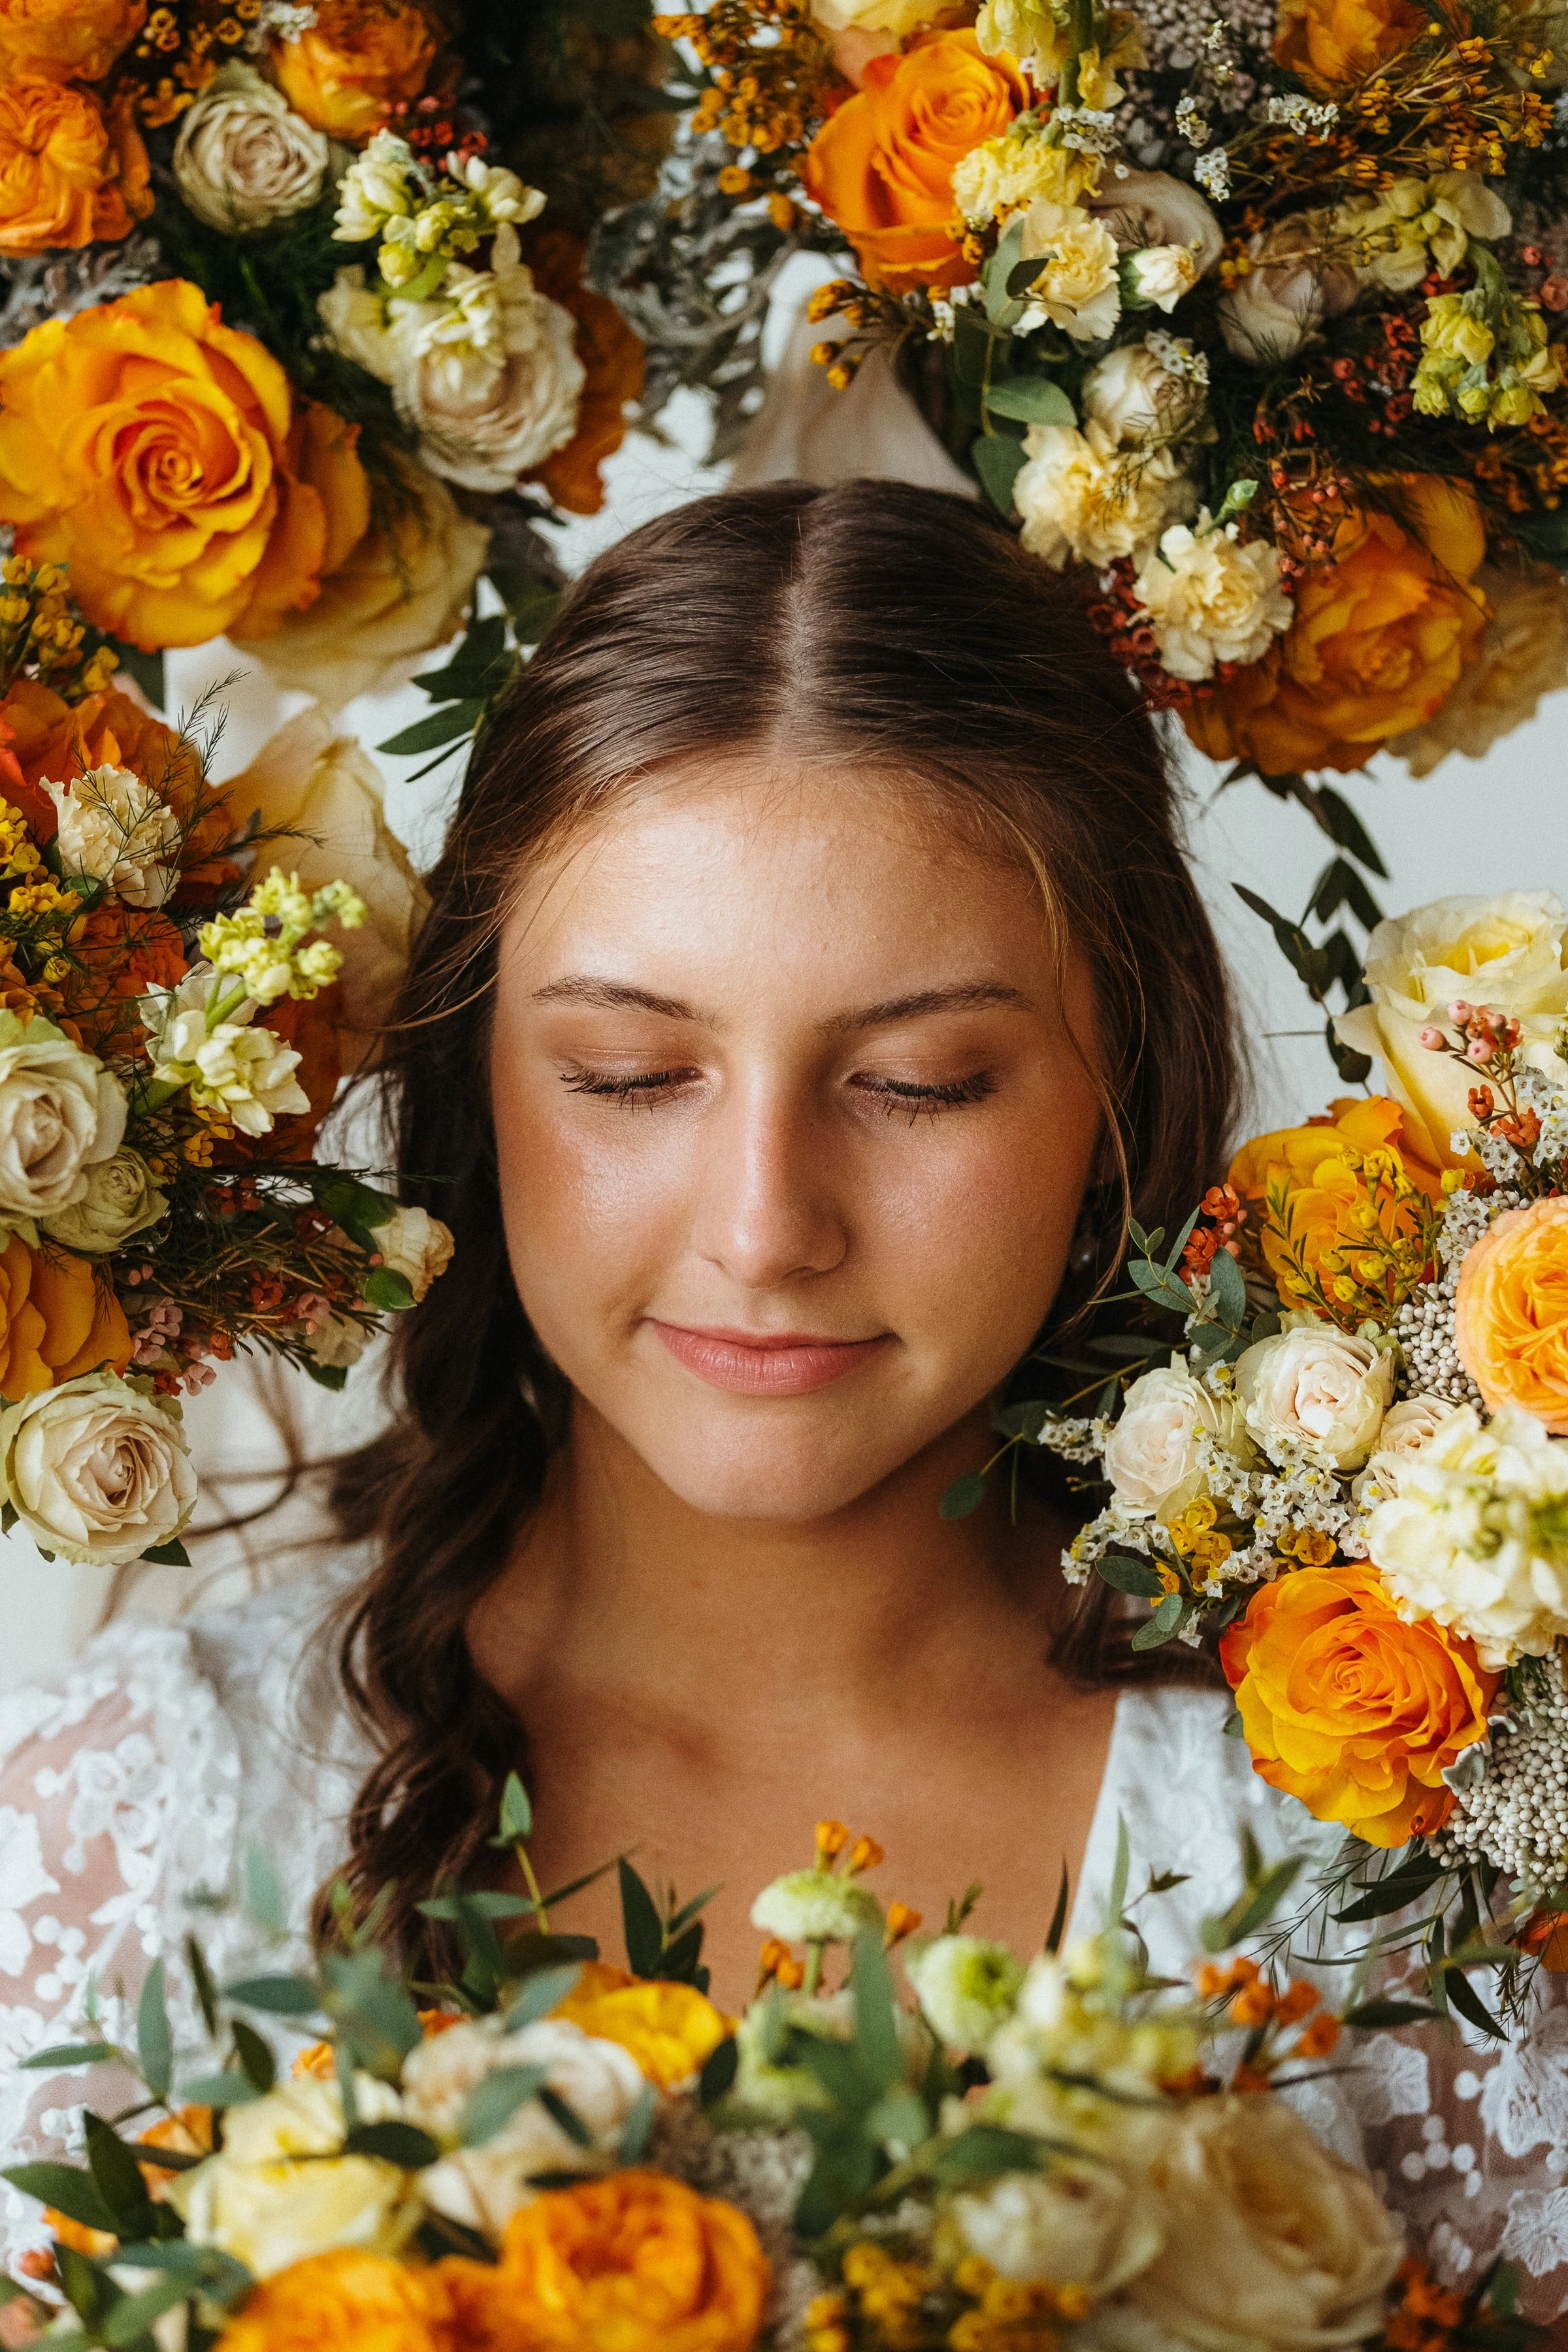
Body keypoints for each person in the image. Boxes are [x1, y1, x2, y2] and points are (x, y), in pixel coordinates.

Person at [0, 483, 1563, 2313]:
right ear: (479, 1075)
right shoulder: (126, 1831)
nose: (764, 1229)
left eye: (919, 1083)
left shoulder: (1391, 1868)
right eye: (629, 1072)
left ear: (1117, 1087)